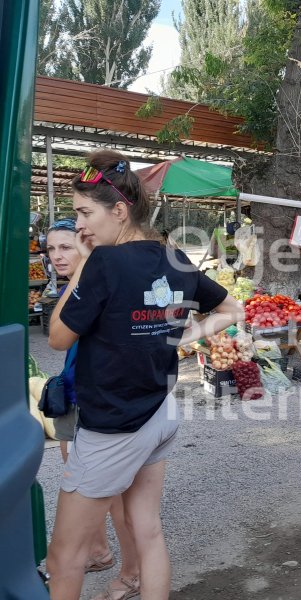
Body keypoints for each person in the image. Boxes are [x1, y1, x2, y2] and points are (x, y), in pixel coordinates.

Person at [46, 150, 243, 600]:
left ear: (119, 210)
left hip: (114, 424)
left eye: (85, 213)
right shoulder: (171, 254)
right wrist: (183, 336)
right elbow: (231, 309)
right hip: (159, 412)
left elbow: (58, 337)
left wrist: (79, 268)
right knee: (147, 531)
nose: (79, 226)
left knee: (63, 557)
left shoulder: (102, 263)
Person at [47, 218, 142, 600]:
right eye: (51, 249)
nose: (56, 256)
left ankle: (133, 572)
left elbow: (59, 338)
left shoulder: (98, 284)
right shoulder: (77, 283)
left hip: (102, 402)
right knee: (77, 475)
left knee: (115, 496)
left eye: (66, 247)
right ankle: (99, 552)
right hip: (73, 392)